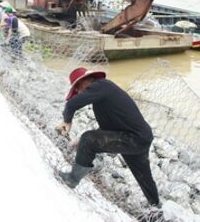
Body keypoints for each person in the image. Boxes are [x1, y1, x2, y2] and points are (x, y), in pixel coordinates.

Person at [57, 67, 159, 206]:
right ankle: (156, 208)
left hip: (133, 138)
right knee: (143, 176)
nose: (79, 92)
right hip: (140, 137)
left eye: (78, 88)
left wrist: (67, 121)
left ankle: (72, 179)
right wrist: (79, 141)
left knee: (88, 138)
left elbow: (72, 104)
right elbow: (106, 129)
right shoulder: (103, 95)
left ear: (86, 81)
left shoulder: (101, 85)